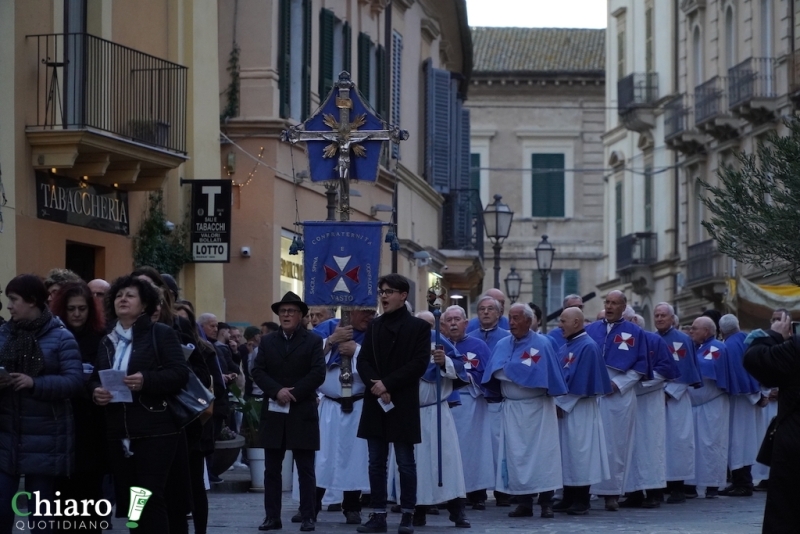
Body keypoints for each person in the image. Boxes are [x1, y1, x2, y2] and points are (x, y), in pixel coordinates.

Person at [91, 275, 191, 533]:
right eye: (119, 295)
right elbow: (94, 378)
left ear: (145, 305)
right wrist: (96, 392)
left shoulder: (161, 333)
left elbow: (179, 374)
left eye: (130, 295)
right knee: (131, 501)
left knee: (149, 495)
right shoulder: (106, 340)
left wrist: (146, 380)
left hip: (156, 427)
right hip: (119, 430)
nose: (123, 299)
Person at [0, 275, 83, 533]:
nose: (9, 307)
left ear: (32, 301)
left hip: (46, 438)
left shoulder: (61, 337)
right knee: (1, 508)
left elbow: (74, 381)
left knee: (41, 516)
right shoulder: (4, 334)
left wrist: (34, 383)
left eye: (14, 300)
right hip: (6, 434)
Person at [356, 274, 431, 534]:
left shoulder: (419, 328)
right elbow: (362, 360)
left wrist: (387, 384)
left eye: (389, 292)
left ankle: (407, 514)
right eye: (381, 292)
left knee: (405, 462)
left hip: (402, 401)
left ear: (403, 295)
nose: (384, 296)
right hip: (376, 399)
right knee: (376, 462)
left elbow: (418, 364)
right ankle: (378, 514)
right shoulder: (375, 326)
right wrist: (375, 385)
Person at [482, 303, 567, 520]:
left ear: (529, 322)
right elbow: (496, 371)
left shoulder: (543, 344)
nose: (511, 323)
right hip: (512, 409)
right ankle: (523, 502)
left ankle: (546, 503)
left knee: (543, 458)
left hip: (538, 410)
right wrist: (517, 373)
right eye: (510, 318)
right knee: (516, 457)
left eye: (517, 318)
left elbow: (535, 374)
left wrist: (512, 372)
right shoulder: (502, 343)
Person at [252, 292, 325, 532]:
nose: (286, 315)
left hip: (301, 409)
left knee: (305, 468)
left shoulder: (313, 341)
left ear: (301, 315)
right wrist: (276, 391)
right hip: (274, 411)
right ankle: (272, 517)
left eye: (291, 311)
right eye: (282, 311)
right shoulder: (268, 341)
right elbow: (258, 371)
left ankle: (308, 516)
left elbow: (317, 373)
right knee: (271, 469)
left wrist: (293, 393)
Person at [50, 281, 108, 533]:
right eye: (71, 308)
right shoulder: (53, 337)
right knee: (62, 497)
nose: (76, 314)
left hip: (91, 423)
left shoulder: (101, 338)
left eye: (82, 309)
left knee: (90, 492)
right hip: (59, 422)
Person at [311, 308, 376, 525]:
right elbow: (305, 356)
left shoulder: (375, 333)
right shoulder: (328, 328)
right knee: (321, 457)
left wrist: (356, 350)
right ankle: (310, 506)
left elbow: (379, 366)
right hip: (329, 405)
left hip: (358, 404)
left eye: (373, 312)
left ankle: (352, 507)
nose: (370, 316)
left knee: (354, 459)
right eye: (365, 312)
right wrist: (331, 341)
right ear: (351, 311)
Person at [585, 291, 648, 512]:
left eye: (614, 303)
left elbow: (641, 366)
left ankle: (611, 493)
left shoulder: (635, 332)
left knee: (615, 446)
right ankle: (585, 491)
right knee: (589, 444)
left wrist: (618, 384)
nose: (610, 307)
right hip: (593, 393)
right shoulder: (591, 330)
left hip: (618, 395)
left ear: (623, 307)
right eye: (607, 302)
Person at [743, 312, 800, 533]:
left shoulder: (795, 347)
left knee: (786, 511)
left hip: (795, 436)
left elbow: (756, 360)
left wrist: (773, 335)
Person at [552, 307, 611, 515]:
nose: (560, 325)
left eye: (563, 321)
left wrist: (561, 405)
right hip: (566, 409)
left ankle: (581, 499)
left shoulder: (587, 347)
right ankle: (568, 496)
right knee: (567, 454)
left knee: (580, 454)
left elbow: (582, 381)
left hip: (580, 410)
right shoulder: (568, 345)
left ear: (576, 322)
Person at [621, 313, 679, 509]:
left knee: (650, 448)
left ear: (634, 322)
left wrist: (638, 384)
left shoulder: (654, 341)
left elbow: (664, 370)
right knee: (632, 447)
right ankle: (634, 492)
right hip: (627, 402)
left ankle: (654, 492)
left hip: (649, 401)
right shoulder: (621, 341)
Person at [442, 305, 495, 511]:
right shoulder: (439, 345)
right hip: (446, 402)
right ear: (443, 324)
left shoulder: (479, 346)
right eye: (449, 320)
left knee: (474, 449)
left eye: (457, 319)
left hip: (472, 404)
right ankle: (449, 492)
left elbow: (488, 374)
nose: (453, 323)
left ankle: (476, 493)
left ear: (466, 323)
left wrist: (467, 377)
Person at [653, 302, 702, 504]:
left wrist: (669, 393)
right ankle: (659, 484)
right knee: (658, 443)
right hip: (654, 397)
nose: (659, 318)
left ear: (672, 318)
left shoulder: (683, 340)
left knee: (677, 443)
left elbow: (686, 370)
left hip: (676, 400)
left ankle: (678, 488)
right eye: (656, 315)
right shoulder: (651, 339)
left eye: (663, 315)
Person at [685, 316, 733, 499]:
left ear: (706, 331)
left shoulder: (716, 347)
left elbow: (707, 365)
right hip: (694, 406)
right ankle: (690, 483)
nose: (691, 331)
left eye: (695, 328)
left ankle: (712, 483)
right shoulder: (696, 348)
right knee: (693, 446)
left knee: (712, 445)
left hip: (712, 405)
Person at [719, 314, 763, 497]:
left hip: (739, 399)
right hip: (751, 396)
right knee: (746, 441)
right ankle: (741, 480)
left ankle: (743, 483)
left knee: (738, 442)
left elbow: (736, 373)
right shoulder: (748, 339)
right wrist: (762, 394)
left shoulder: (727, 346)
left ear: (721, 330)